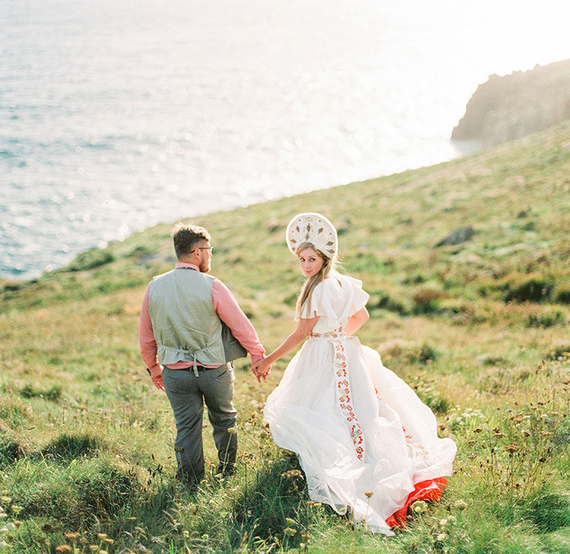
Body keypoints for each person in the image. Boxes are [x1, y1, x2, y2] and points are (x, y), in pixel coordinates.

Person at [254, 212, 456, 534]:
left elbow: (301, 334)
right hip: (346, 350)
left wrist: (269, 359)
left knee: (321, 406)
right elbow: (361, 317)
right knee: (356, 407)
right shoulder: (342, 283)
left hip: (323, 354)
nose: (305, 265)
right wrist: (338, 336)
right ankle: (359, 452)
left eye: (311, 259)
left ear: (324, 258)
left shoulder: (317, 290)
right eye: (302, 259)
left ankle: (344, 463)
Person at [139, 222, 267, 486]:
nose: (210, 255)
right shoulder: (212, 285)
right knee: (224, 420)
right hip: (214, 371)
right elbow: (240, 325)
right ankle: (227, 474)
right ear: (197, 252)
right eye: (209, 250)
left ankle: (190, 482)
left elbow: (146, 334)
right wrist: (257, 355)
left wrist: (153, 367)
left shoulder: (154, 286)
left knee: (186, 428)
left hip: (175, 373)